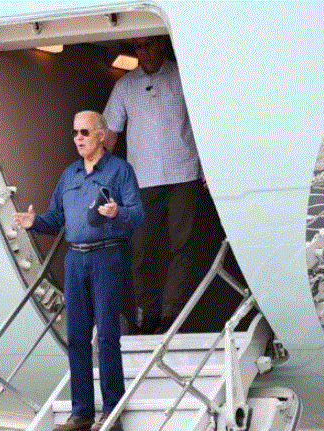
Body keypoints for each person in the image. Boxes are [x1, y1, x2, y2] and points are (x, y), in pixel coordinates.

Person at [13, 111, 145, 431]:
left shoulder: (119, 170)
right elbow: (55, 218)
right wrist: (34, 223)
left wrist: (117, 212)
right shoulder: (69, 175)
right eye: (74, 133)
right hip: (75, 260)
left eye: (85, 132)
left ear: (101, 134)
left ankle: (111, 411)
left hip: (107, 256)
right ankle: (82, 411)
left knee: (108, 336)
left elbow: (137, 214)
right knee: (76, 337)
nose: (78, 138)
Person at [103, 35, 205, 335]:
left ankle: (170, 317)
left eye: (148, 45)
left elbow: (203, 120)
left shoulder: (183, 74)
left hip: (184, 173)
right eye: (138, 47)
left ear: (161, 44)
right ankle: (148, 315)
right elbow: (110, 134)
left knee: (181, 247)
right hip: (142, 180)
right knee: (141, 250)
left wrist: (211, 165)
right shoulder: (125, 85)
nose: (143, 52)